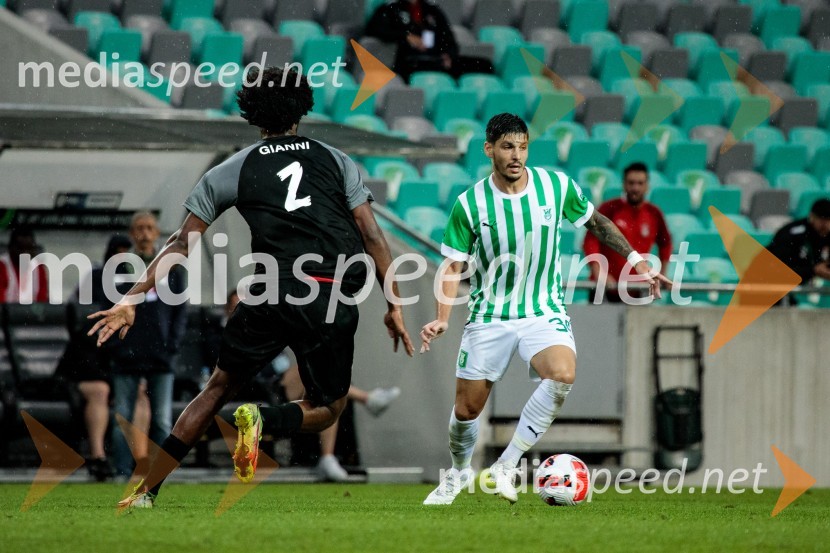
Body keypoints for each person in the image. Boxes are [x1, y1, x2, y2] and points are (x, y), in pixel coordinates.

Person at [91, 67, 414, 508]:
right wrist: (394, 303)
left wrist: (130, 297)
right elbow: (373, 236)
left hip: (266, 292)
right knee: (329, 409)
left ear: (253, 116)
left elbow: (181, 242)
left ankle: (146, 491)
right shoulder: (337, 161)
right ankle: (261, 420)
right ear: (303, 105)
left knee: (217, 388)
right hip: (328, 293)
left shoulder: (232, 169)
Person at [419, 113, 670, 505]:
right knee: (467, 410)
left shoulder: (555, 186)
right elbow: (452, 266)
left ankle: (506, 464)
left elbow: (598, 223)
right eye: (506, 147)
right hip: (489, 315)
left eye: (522, 146)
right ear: (489, 150)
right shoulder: (470, 204)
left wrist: (637, 259)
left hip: (543, 309)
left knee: (562, 373)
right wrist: (442, 317)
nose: (516, 155)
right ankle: (457, 473)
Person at [108, 213, 188, 481]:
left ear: (157, 233)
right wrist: (116, 344)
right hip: (126, 350)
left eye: (149, 228)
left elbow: (180, 309)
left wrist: (172, 344)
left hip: (160, 352)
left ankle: (159, 473)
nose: (144, 233)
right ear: (131, 233)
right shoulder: (118, 268)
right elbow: (108, 305)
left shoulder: (172, 267)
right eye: (139, 228)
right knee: (122, 417)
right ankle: (121, 470)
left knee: (163, 419)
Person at [57, 234, 135, 481]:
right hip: (89, 356)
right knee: (100, 391)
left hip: (119, 355)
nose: (120, 258)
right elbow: (86, 326)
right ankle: (98, 458)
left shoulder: (133, 284)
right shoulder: (95, 280)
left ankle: (138, 460)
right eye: (117, 252)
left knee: (140, 389)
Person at [280, 357, 401, 482]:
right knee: (320, 375)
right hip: (273, 388)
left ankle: (327, 458)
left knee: (327, 390)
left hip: (295, 386)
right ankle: (368, 399)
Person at [583, 162, 672, 303]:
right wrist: (599, 271)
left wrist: (662, 273)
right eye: (631, 183)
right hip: (605, 288)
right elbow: (591, 240)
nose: (635, 188)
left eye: (640, 183)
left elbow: (665, 243)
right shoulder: (609, 209)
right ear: (624, 184)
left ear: (647, 186)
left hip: (636, 289)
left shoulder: (654, 214)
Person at [365, 0, 458, 81]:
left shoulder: (432, 11)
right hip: (406, 65)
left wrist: (448, 54)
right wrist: (405, 37)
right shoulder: (391, 8)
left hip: (433, 63)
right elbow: (373, 29)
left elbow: (449, 39)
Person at [766, 198, 830, 304]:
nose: (825, 225)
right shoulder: (793, 234)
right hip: (768, 285)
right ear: (812, 217)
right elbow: (779, 269)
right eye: (821, 219)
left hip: (793, 289)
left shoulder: (826, 236)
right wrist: (813, 270)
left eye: (828, 220)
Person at [0, 226, 48, 303]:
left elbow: (42, 303)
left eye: (29, 248)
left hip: (31, 314)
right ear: (10, 248)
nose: (25, 253)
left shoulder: (39, 269)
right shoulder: (2, 266)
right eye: (20, 248)